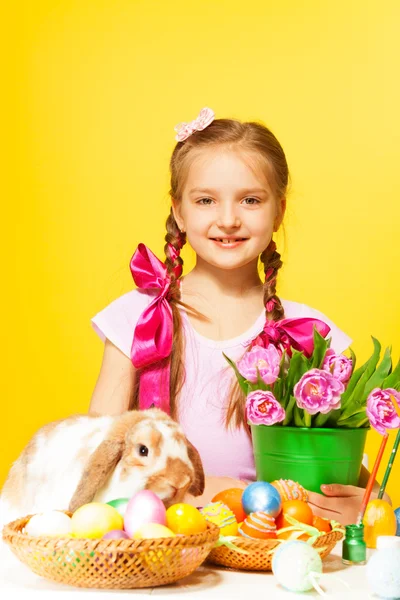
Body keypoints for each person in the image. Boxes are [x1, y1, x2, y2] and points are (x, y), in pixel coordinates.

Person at [89, 107, 389, 524]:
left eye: (250, 200)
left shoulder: (309, 336)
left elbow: (336, 470)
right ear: (178, 211)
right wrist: (228, 492)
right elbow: (96, 458)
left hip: (267, 556)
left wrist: (371, 504)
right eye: (206, 200)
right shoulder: (138, 319)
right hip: (158, 553)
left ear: (278, 211)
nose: (228, 220)